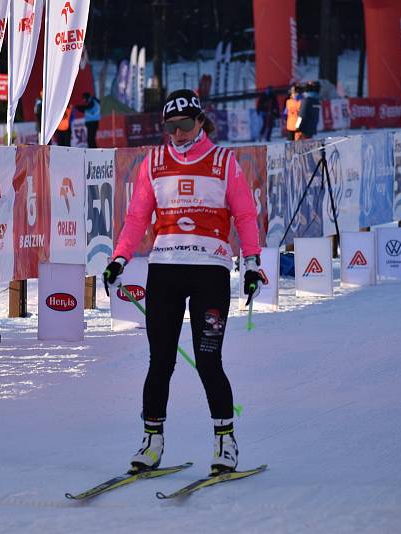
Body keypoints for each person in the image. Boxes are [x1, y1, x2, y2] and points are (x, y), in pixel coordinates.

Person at [102, 89, 262, 476]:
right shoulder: (153, 162)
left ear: (200, 122)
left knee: (208, 359)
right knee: (161, 362)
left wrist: (253, 263)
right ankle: (151, 443)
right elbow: (137, 217)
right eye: (170, 127)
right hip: (166, 270)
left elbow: (245, 215)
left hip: (210, 270)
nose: (176, 134)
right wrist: (119, 257)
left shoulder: (224, 161)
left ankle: (225, 442)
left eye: (184, 125)